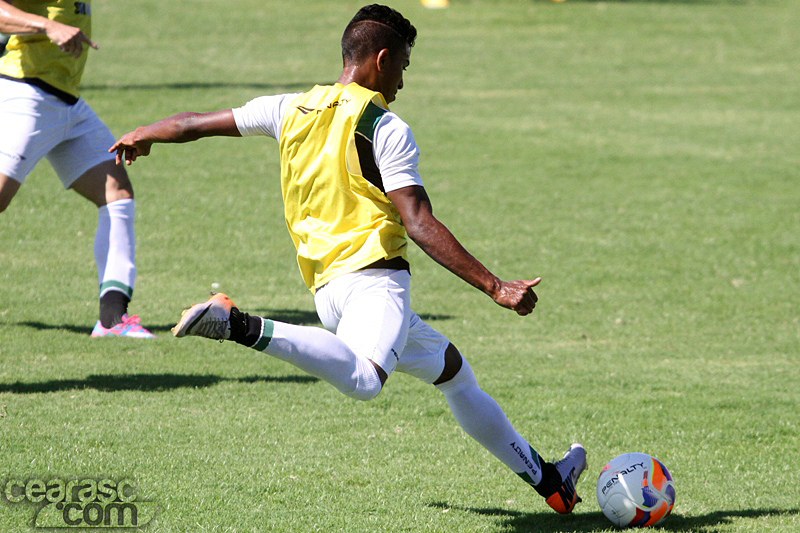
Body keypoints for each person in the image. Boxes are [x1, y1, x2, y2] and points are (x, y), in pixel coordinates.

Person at [110, 4, 586, 513]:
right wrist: (496, 286)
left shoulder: (290, 107)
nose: (403, 80)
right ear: (381, 59)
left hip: (329, 295)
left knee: (454, 372)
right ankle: (237, 324)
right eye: (403, 64)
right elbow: (419, 222)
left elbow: (193, 124)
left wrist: (143, 132)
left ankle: (550, 483)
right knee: (364, 380)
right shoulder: (385, 126)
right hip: (376, 287)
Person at [0, 0, 153, 338]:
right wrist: (47, 26)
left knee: (117, 195)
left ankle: (113, 320)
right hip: (25, 96)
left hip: (68, 104)